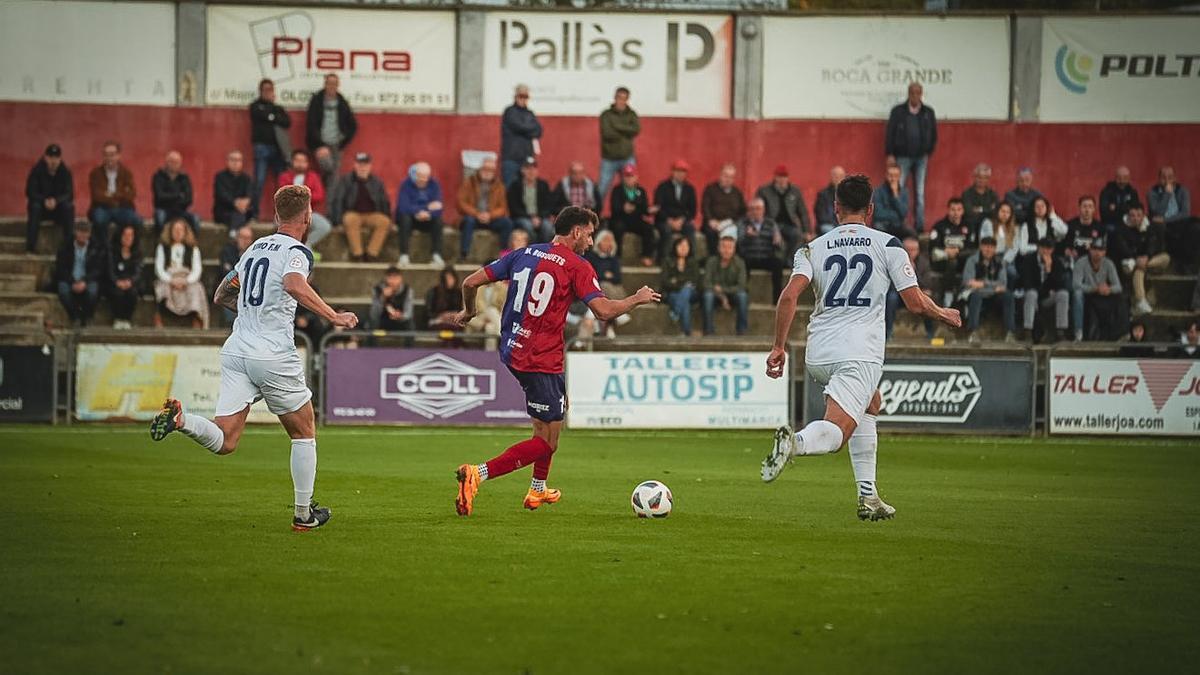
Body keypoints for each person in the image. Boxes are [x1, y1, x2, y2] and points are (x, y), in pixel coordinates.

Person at [149, 184, 359, 531]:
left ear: (276, 216)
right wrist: (332, 315)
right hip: (272, 353)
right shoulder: (299, 252)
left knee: (226, 440)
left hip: (237, 350)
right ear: (307, 217)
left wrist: (250, 308)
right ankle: (304, 514)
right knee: (304, 431)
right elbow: (293, 283)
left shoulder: (254, 248)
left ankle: (182, 421)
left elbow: (220, 294)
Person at [762, 174, 961, 521]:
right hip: (860, 352)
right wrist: (941, 312)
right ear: (871, 209)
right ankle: (795, 443)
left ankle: (868, 497)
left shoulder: (812, 247)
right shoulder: (888, 244)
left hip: (820, 350)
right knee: (838, 432)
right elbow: (914, 302)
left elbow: (789, 295)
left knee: (871, 401)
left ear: (835, 208)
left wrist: (779, 347)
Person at [449, 206, 659, 515]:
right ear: (576, 232)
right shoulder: (578, 266)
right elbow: (603, 311)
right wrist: (636, 298)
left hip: (515, 348)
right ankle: (476, 474)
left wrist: (469, 312)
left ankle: (537, 491)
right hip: (539, 358)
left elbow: (470, 282)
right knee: (546, 441)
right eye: (588, 235)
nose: (590, 241)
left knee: (554, 416)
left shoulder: (524, 252)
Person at [885, 83, 937, 230]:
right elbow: (890, 133)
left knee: (919, 192)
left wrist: (928, 150)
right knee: (898, 188)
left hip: (921, 157)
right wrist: (890, 153)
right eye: (912, 93)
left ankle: (919, 226)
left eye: (918, 93)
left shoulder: (928, 112)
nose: (915, 96)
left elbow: (934, 135)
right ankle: (898, 223)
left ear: (922, 94)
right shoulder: (898, 111)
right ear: (908, 94)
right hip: (902, 156)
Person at [329, 152, 392, 263]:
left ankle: (372, 254)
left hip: (372, 215)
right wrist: (337, 222)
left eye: (365, 165)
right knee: (349, 219)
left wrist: (389, 217)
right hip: (353, 213)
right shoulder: (346, 180)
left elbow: (384, 201)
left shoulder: (377, 182)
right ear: (355, 165)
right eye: (360, 164)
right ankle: (358, 254)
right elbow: (338, 200)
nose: (362, 168)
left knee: (384, 221)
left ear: (370, 166)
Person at [1109, 203, 1169, 316]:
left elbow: (1153, 246)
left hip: (1147, 261)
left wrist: (1146, 257)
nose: (1136, 218)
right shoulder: (1121, 230)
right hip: (1128, 263)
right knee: (1139, 270)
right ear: (1128, 216)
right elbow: (1123, 249)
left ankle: (1142, 265)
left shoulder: (1149, 228)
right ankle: (1141, 300)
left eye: (1138, 215)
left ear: (1143, 216)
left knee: (1165, 258)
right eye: (1132, 215)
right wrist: (1137, 258)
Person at [153, 217, 209, 329]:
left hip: (186, 278)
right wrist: (171, 280)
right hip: (169, 277)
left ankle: (196, 319)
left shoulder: (193, 249)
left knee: (196, 288)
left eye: (180, 230)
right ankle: (159, 318)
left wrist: (186, 281)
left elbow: (197, 270)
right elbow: (159, 269)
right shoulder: (163, 247)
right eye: (175, 230)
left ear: (185, 232)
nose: (178, 233)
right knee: (162, 288)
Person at [305, 73, 357, 189]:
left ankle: (330, 206)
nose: (332, 86)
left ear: (338, 85)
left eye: (334, 83)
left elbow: (353, 125)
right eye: (329, 83)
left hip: (336, 145)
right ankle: (321, 182)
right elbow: (311, 124)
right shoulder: (317, 100)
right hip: (321, 144)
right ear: (325, 84)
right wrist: (319, 145)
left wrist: (343, 141)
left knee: (334, 178)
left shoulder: (342, 102)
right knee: (329, 169)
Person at [249, 79, 291, 218]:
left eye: (270, 90)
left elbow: (286, 122)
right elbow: (259, 115)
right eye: (265, 90)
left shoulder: (277, 108)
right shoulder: (255, 106)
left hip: (278, 149)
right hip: (261, 148)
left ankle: (281, 215)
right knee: (259, 181)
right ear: (260, 91)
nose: (268, 92)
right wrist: (272, 116)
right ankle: (254, 213)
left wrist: (270, 116)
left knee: (282, 183)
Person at [457, 157, 513, 260]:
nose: (487, 172)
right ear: (480, 169)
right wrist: (477, 214)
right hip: (473, 217)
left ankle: (504, 254)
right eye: (485, 169)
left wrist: (490, 215)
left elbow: (502, 207)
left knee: (507, 223)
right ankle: (464, 254)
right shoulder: (469, 182)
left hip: (490, 219)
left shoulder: (499, 186)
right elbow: (461, 203)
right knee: (468, 221)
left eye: (490, 170)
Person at [962, 237, 1016, 343]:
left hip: (993, 296)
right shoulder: (972, 261)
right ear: (981, 247)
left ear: (995, 249)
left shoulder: (1000, 262)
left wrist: (983, 284)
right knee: (975, 295)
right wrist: (993, 287)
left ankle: (1010, 333)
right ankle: (973, 332)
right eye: (986, 247)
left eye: (991, 247)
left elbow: (1003, 284)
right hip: (974, 294)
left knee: (1008, 295)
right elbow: (968, 283)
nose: (988, 250)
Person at [1018, 237, 1070, 342]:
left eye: (1049, 249)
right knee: (1032, 294)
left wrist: (1049, 269)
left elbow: (1059, 285)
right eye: (1043, 248)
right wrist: (1046, 290)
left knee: (1063, 294)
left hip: (1046, 299)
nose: (1046, 251)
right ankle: (1028, 332)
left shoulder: (1056, 261)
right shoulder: (1029, 260)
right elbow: (1028, 283)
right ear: (1038, 248)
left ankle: (1061, 332)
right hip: (1031, 297)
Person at [88, 140, 140, 245]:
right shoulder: (95, 173)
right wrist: (120, 195)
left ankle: (128, 249)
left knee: (137, 221)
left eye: (112, 155)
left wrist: (110, 195)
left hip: (122, 207)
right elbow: (97, 195)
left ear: (118, 156)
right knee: (99, 220)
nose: (109, 158)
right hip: (101, 208)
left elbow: (131, 194)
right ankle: (103, 249)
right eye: (106, 155)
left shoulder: (126, 173)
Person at [884, 236, 936, 341]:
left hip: (917, 294)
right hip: (900, 295)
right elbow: (890, 283)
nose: (911, 253)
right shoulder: (894, 261)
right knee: (891, 298)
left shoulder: (923, 262)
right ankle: (888, 332)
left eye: (914, 250)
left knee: (927, 298)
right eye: (908, 250)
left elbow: (927, 283)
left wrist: (914, 271)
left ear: (918, 250)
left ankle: (930, 332)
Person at [25, 143, 74, 253]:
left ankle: (69, 246)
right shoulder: (37, 171)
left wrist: (56, 201)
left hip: (58, 209)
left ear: (60, 159)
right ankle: (30, 246)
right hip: (41, 209)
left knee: (68, 207)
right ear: (45, 158)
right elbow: (30, 192)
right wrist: (44, 201)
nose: (53, 161)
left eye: (56, 158)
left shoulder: (65, 171)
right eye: (50, 157)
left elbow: (69, 193)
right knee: (35, 207)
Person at [278, 150, 332, 249]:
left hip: (308, 213)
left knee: (325, 226)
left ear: (307, 163)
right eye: (297, 160)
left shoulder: (313, 177)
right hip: (287, 214)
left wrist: (301, 197)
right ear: (292, 162)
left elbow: (320, 195)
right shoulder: (285, 176)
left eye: (303, 161)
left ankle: (306, 245)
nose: (300, 164)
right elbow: (283, 194)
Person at [54, 221, 103, 327]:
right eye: (80, 232)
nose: (83, 235)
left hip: (87, 280)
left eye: (85, 232)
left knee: (93, 291)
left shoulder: (96, 248)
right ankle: (75, 316)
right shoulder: (65, 246)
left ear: (89, 234)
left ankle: (87, 316)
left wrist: (84, 281)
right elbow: (60, 268)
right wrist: (72, 282)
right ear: (75, 232)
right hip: (69, 279)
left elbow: (97, 270)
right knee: (63, 291)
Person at [737, 197, 787, 302]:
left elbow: (781, 246)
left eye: (758, 208)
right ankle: (742, 298)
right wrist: (747, 236)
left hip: (766, 256)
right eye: (752, 209)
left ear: (763, 210)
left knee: (777, 263)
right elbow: (739, 243)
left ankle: (777, 300)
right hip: (749, 257)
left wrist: (778, 241)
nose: (755, 212)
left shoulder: (771, 223)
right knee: (742, 264)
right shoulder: (743, 223)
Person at [396, 162, 445, 267]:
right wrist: (424, 208)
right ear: (415, 175)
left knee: (438, 221)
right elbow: (403, 207)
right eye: (420, 176)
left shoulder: (434, 184)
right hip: (411, 218)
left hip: (427, 218)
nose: (423, 179)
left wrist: (428, 213)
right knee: (404, 219)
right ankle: (404, 255)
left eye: (426, 177)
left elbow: (439, 207)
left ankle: (436, 255)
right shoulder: (406, 184)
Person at [1073, 239, 1124, 341]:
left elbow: (1118, 286)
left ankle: (1120, 333)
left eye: (1100, 250)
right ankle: (1078, 331)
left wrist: (1108, 289)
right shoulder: (1081, 262)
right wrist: (1094, 288)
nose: (1097, 253)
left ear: (1104, 252)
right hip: (1087, 293)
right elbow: (1076, 285)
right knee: (1077, 295)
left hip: (1103, 294)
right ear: (1090, 250)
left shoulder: (1109, 263)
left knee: (1120, 297)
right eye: (1095, 249)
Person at [928, 198, 976, 306]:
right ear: (948, 210)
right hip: (943, 262)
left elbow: (973, 248)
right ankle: (948, 294)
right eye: (953, 210)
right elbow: (933, 249)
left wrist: (957, 252)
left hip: (963, 261)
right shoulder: (939, 226)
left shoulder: (968, 226)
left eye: (959, 210)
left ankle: (965, 295)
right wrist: (946, 251)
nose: (956, 213)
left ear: (963, 211)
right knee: (952, 262)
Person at [584, 230, 632, 337]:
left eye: (611, 241)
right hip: (597, 289)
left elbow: (618, 278)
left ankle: (598, 318)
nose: (609, 243)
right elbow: (594, 276)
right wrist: (606, 275)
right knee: (603, 285)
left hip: (612, 290)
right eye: (606, 240)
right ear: (599, 242)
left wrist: (604, 276)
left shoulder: (614, 259)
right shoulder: (591, 257)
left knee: (606, 286)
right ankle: (616, 317)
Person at [1147, 166, 1195, 269]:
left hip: (1179, 222)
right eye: (1163, 177)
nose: (1167, 180)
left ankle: (1189, 264)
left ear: (1175, 178)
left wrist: (1166, 219)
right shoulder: (1152, 193)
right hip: (1161, 225)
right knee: (1159, 225)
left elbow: (1185, 213)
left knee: (1195, 226)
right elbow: (1158, 213)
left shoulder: (1183, 191)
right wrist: (1167, 194)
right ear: (1159, 179)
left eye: (1170, 177)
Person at [756, 164, 810, 254]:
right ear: (775, 177)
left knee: (797, 235)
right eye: (780, 176)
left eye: (784, 177)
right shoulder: (764, 191)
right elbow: (759, 210)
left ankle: (790, 261)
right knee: (772, 238)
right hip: (771, 223)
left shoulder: (795, 191)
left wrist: (807, 231)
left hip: (789, 224)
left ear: (788, 177)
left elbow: (803, 212)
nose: (782, 179)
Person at [607, 164, 654, 267]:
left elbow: (645, 208)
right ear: (623, 178)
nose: (629, 179)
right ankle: (617, 256)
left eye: (631, 176)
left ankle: (647, 255)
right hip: (620, 219)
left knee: (648, 228)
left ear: (636, 177)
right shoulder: (617, 190)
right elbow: (614, 207)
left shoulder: (641, 191)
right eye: (626, 176)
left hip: (636, 220)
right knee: (617, 228)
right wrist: (623, 208)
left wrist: (648, 210)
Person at [702, 235, 749, 336]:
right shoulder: (711, 262)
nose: (726, 250)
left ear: (734, 249)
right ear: (719, 248)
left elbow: (741, 286)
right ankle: (708, 332)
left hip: (733, 294)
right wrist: (722, 297)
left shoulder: (739, 263)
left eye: (729, 247)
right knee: (707, 296)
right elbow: (706, 283)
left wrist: (723, 290)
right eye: (723, 247)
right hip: (715, 295)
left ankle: (741, 332)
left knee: (743, 296)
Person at [598, 86, 639, 198]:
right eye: (619, 98)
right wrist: (626, 133)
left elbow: (636, 130)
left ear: (627, 99)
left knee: (631, 189)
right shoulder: (606, 114)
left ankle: (631, 213)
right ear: (615, 98)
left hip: (627, 157)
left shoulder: (632, 114)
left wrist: (616, 126)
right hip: (609, 158)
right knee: (602, 188)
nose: (621, 101)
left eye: (624, 98)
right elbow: (607, 133)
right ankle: (594, 214)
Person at [654, 160, 698, 260]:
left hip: (682, 220)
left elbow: (692, 210)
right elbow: (658, 207)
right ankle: (664, 259)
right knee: (666, 230)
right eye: (678, 171)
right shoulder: (663, 187)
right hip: (664, 220)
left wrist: (681, 220)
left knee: (690, 229)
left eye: (683, 172)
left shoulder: (689, 189)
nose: (681, 174)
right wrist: (669, 221)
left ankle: (690, 259)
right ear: (672, 172)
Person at [700, 163, 747, 257]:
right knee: (712, 233)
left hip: (731, 223)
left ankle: (735, 262)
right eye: (726, 176)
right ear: (720, 175)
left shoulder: (737, 193)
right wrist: (711, 220)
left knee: (741, 233)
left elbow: (743, 211)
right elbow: (705, 207)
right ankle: (714, 260)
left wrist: (732, 221)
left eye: (731, 177)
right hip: (713, 223)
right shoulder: (710, 189)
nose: (728, 179)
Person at [500, 84, 542, 187]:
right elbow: (518, 126)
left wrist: (525, 129)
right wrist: (529, 129)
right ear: (515, 97)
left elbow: (539, 131)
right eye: (521, 96)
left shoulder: (530, 113)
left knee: (525, 189)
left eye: (525, 97)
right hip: (511, 158)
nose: (523, 99)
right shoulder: (509, 111)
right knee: (510, 189)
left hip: (527, 159)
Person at [507, 157, 555, 244]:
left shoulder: (543, 185)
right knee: (527, 226)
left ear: (537, 171)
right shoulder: (515, 186)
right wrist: (530, 218)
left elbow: (548, 205)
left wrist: (539, 217)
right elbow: (514, 207)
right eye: (528, 169)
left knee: (547, 227)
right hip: (522, 217)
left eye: (533, 169)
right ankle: (532, 251)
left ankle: (545, 251)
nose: (531, 171)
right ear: (522, 170)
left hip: (540, 217)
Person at [151, 151, 199, 235]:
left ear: (180, 163)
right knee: (160, 217)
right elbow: (160, 197)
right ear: (166, 162)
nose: (174, 164)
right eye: (171, 161)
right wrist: (178, 195)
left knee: (195, 218)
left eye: (177, 162)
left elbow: (189, 199)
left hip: (180, 210)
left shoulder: (184, 178)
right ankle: (160, 244)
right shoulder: (158, 176)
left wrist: (170, 198)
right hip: (163, 209)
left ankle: (193, 245)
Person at [660, 236, 701, 336]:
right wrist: (682, 284)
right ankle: (686, 331)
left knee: (686, 291)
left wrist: (676, 281)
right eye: (681, 245)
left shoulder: (693, 262)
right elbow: (665, 281)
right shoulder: (667, 261)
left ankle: (676, 313)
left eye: (686, 246)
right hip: (672, 293)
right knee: (684, 300)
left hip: (691, 294)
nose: (683, 248)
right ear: (675, 247)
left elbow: (695, 280)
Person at [107, 223, 142, 330]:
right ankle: (117, 318)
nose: (128, 238)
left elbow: (138, 271)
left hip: (131, 282)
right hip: (115, 281)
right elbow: (110, 270)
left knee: (132, 292)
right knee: (117, 292)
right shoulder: (112, 251)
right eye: (125, 235)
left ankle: (127, 319)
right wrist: (117, 281)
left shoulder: (137, 252)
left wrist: (130, 281)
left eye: (130, 235)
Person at [219, 225, 255, 324]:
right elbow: (227, 273)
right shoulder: (227, 251)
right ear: (236, 238)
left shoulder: (256, 254)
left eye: (247, 238)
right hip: (232, 288)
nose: (245, 241)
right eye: (242, 237)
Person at [213, 150, 254, 233]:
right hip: (224, 211)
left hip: (242, 211)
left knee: (242, 214)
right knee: (238, 216)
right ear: (227, 161)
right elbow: (221, 195)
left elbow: (250, 194)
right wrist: (235, 203)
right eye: (233, 160)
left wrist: (245, 202)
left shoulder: (246, 178)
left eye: (238, 160)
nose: (235, 163)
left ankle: (233, 233)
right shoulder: (220, 177)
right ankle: (234, 233)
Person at [979, 201, 1020, 278]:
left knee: (1012, 273)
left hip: (1007, 258)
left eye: (1008, 212)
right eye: (1002, 211)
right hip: (990, 257)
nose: (1005, 214)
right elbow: (986, 243)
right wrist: (994, 259)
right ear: (997, 211)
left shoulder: (1014, 228)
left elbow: (1014, 248)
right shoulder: (988, 223)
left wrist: (1004, 261)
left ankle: (1009, 290)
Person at [369, 266, 414, 332]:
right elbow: (374, 314)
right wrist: (383, 297)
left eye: (395, 277)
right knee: (372, 323)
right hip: (383, 320)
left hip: (400, 321)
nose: (393, 281)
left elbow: (409, 312)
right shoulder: (377, 289)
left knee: (410, 324)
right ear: (386, 278)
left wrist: (401, 316)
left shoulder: (407, 290)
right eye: (390, 277)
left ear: (400, 278)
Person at [870, 165, 909, 237]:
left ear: (899, 177)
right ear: (886, 175)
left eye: (896, 176)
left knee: (911, 234)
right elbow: (878, 214)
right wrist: (896, 216)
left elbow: (904, 213)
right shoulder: (878, 191)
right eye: (890, 176)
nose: (893, 179)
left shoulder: (904, 192)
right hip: (882, 225)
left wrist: (895, 195)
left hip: (898, 226)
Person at [961, 163, 998, 231]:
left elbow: (995, 212)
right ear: (974, 177)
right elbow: (969, 212)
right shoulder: (966, 194)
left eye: (985, 177)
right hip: (971, 228)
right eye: (979, 177)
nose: (981, 180)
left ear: (988, 179)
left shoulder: (993, 195)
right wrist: (988, 209)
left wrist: (978, 209)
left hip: (989, 229)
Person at [1099, 166, 1139, 231]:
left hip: (1129, 223)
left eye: (1125, 178)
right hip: (1111, 223)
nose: (1122, 181)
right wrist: (1125, 209)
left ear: (1129, 179)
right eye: (1119, 178)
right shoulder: (1106, 191)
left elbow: (1136, 210)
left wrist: (1116, 208)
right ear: (1115, 178)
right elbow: (1104, 213)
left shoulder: (1132, 192)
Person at [425, 266, 463, 331]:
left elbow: (460, 310)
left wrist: (454, 315)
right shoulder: (434, 291)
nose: (450, 281)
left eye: (451, 278)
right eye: (447, 278)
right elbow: (428, 312)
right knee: (446, 327)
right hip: (437, 320)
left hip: (453, 321)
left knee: (456, 328)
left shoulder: (458, 292)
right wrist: (441, 316)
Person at [813, 166, 845, 235]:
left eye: (841, 176)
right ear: (831, 178)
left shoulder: (848, 195)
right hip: (828, 225)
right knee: (829, 229)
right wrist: (837, 225)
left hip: (843, 225)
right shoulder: (823, 194)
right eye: (836, 176)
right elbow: (821, 216)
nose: (838, 179)